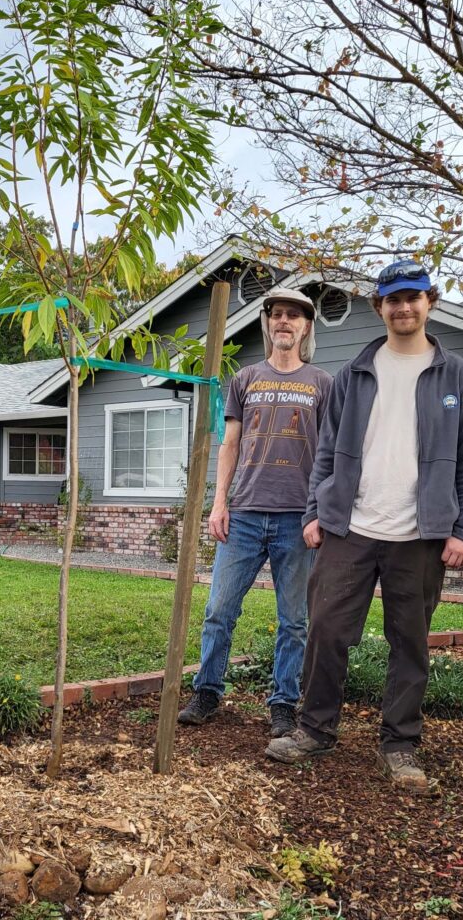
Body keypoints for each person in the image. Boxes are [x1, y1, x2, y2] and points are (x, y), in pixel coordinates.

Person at [265, 260, 463, 791]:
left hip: (421, 534)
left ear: (429, 301)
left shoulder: (457, 375)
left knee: (408, 641)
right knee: (326, 631)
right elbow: (326, 451)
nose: (403, 307)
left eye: (413, 297)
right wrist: (316, 512)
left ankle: (400, 745)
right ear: (380, 307)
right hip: (350, 528)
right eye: (393, 299)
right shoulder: (354, 375)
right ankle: (315, 730)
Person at [178, 287, 332, 738]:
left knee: (294, 621)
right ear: (268, 324)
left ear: (305, 327)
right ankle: (207, 690)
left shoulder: (323, 383)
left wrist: (318, 513)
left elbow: (329, 453)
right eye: (277, 315)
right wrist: (219, 502)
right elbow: (230, 445)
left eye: (294, 316)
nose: (284, 322)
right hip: (243, 515)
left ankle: (283, 702)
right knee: (219, 610)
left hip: (297, 520)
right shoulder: (244, 379)